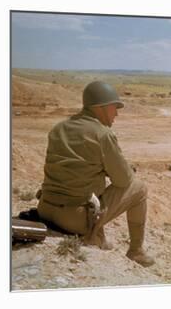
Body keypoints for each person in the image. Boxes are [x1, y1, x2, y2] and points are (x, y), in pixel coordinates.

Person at [36, 80, 155, 267]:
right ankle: (136, 251)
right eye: (115, 108)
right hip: (73, 219)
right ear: (101, 107)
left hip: (45, 209)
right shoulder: (102, 134)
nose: (116, 113)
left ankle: (99, 239)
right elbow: (123, 181)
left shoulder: (58, 128)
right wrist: (121, 169)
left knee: (92, 189)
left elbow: (77, 168)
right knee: (139, 188)